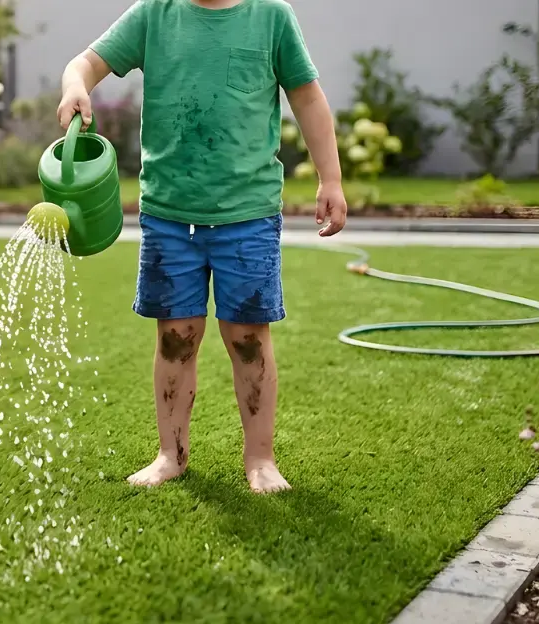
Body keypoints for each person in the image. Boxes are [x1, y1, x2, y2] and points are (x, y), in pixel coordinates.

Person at [57, 0, 346, 493]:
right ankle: (172, 454)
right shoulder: (154, 14)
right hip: (170, 215)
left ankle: (260, 458)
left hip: (247, 214)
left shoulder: (271, 15)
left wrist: (330, 179)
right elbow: (86, 61)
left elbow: (308, 98)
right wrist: (75, 85)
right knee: (176, 335)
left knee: (247, 337)